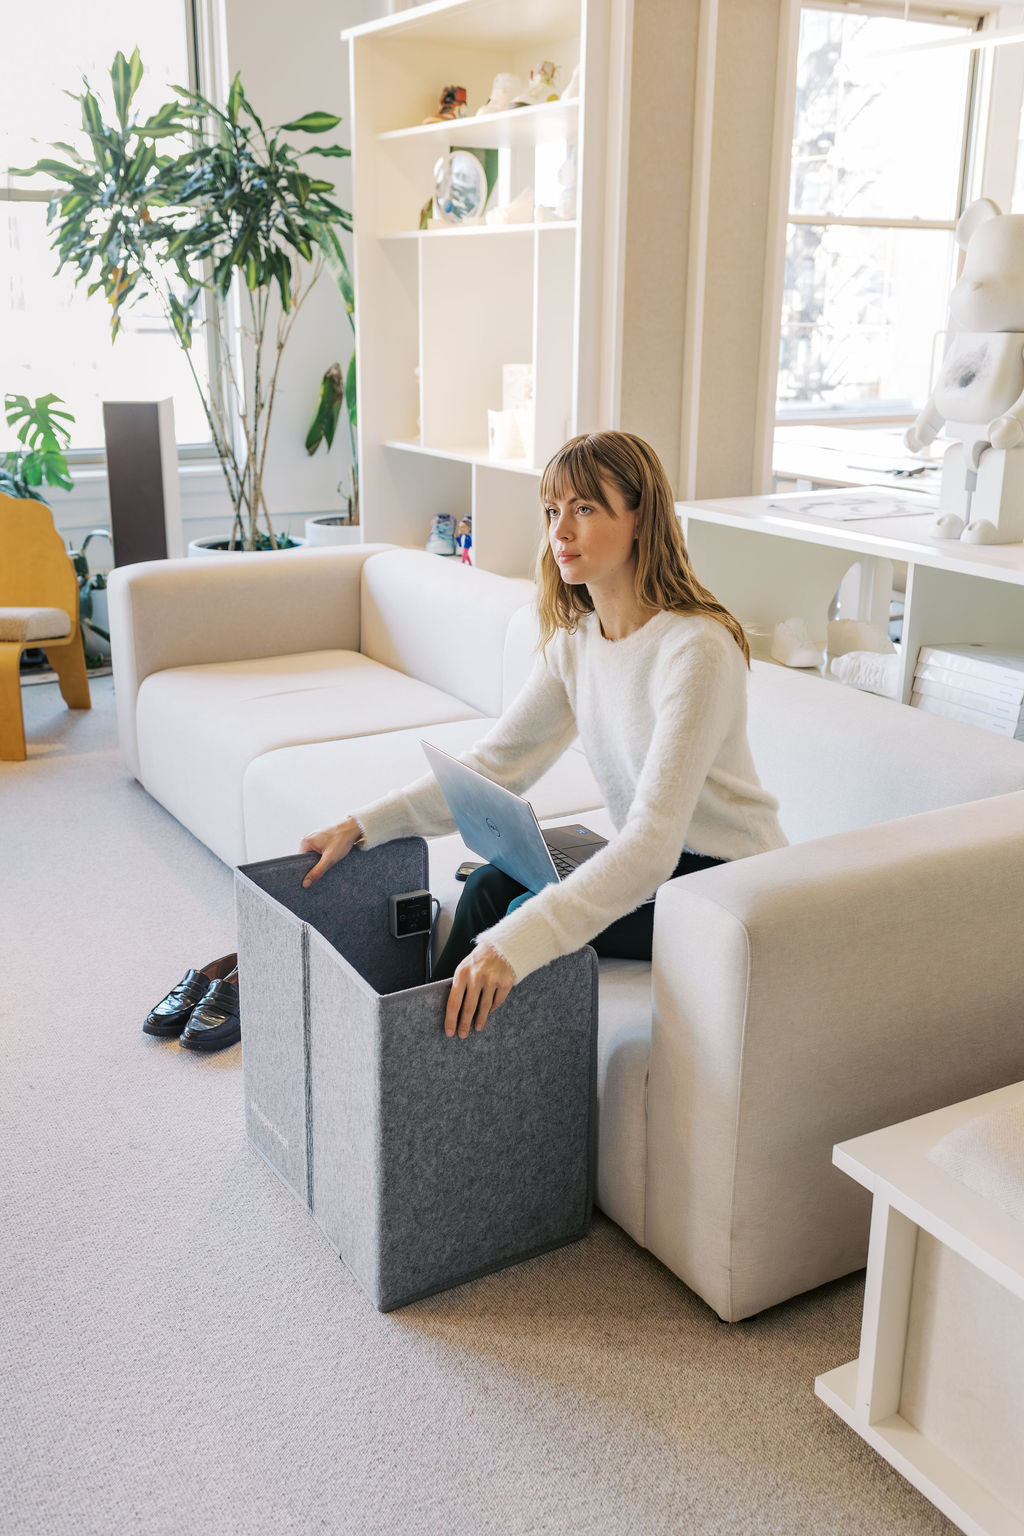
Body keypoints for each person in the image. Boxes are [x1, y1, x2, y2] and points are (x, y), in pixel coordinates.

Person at [299, 430, 787, 1044]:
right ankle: (416, 1058)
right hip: (664, 868)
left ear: (641, 518)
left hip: (727, 885)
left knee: (515, 920)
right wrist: (364, 823)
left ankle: (434, 1073)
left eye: (584, 508)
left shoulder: (695, 650)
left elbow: (651, 845)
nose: (561, 531)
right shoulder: (577, 642)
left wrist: (517, 942)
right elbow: (495, 766)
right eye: (553, 511)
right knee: (484, 884)